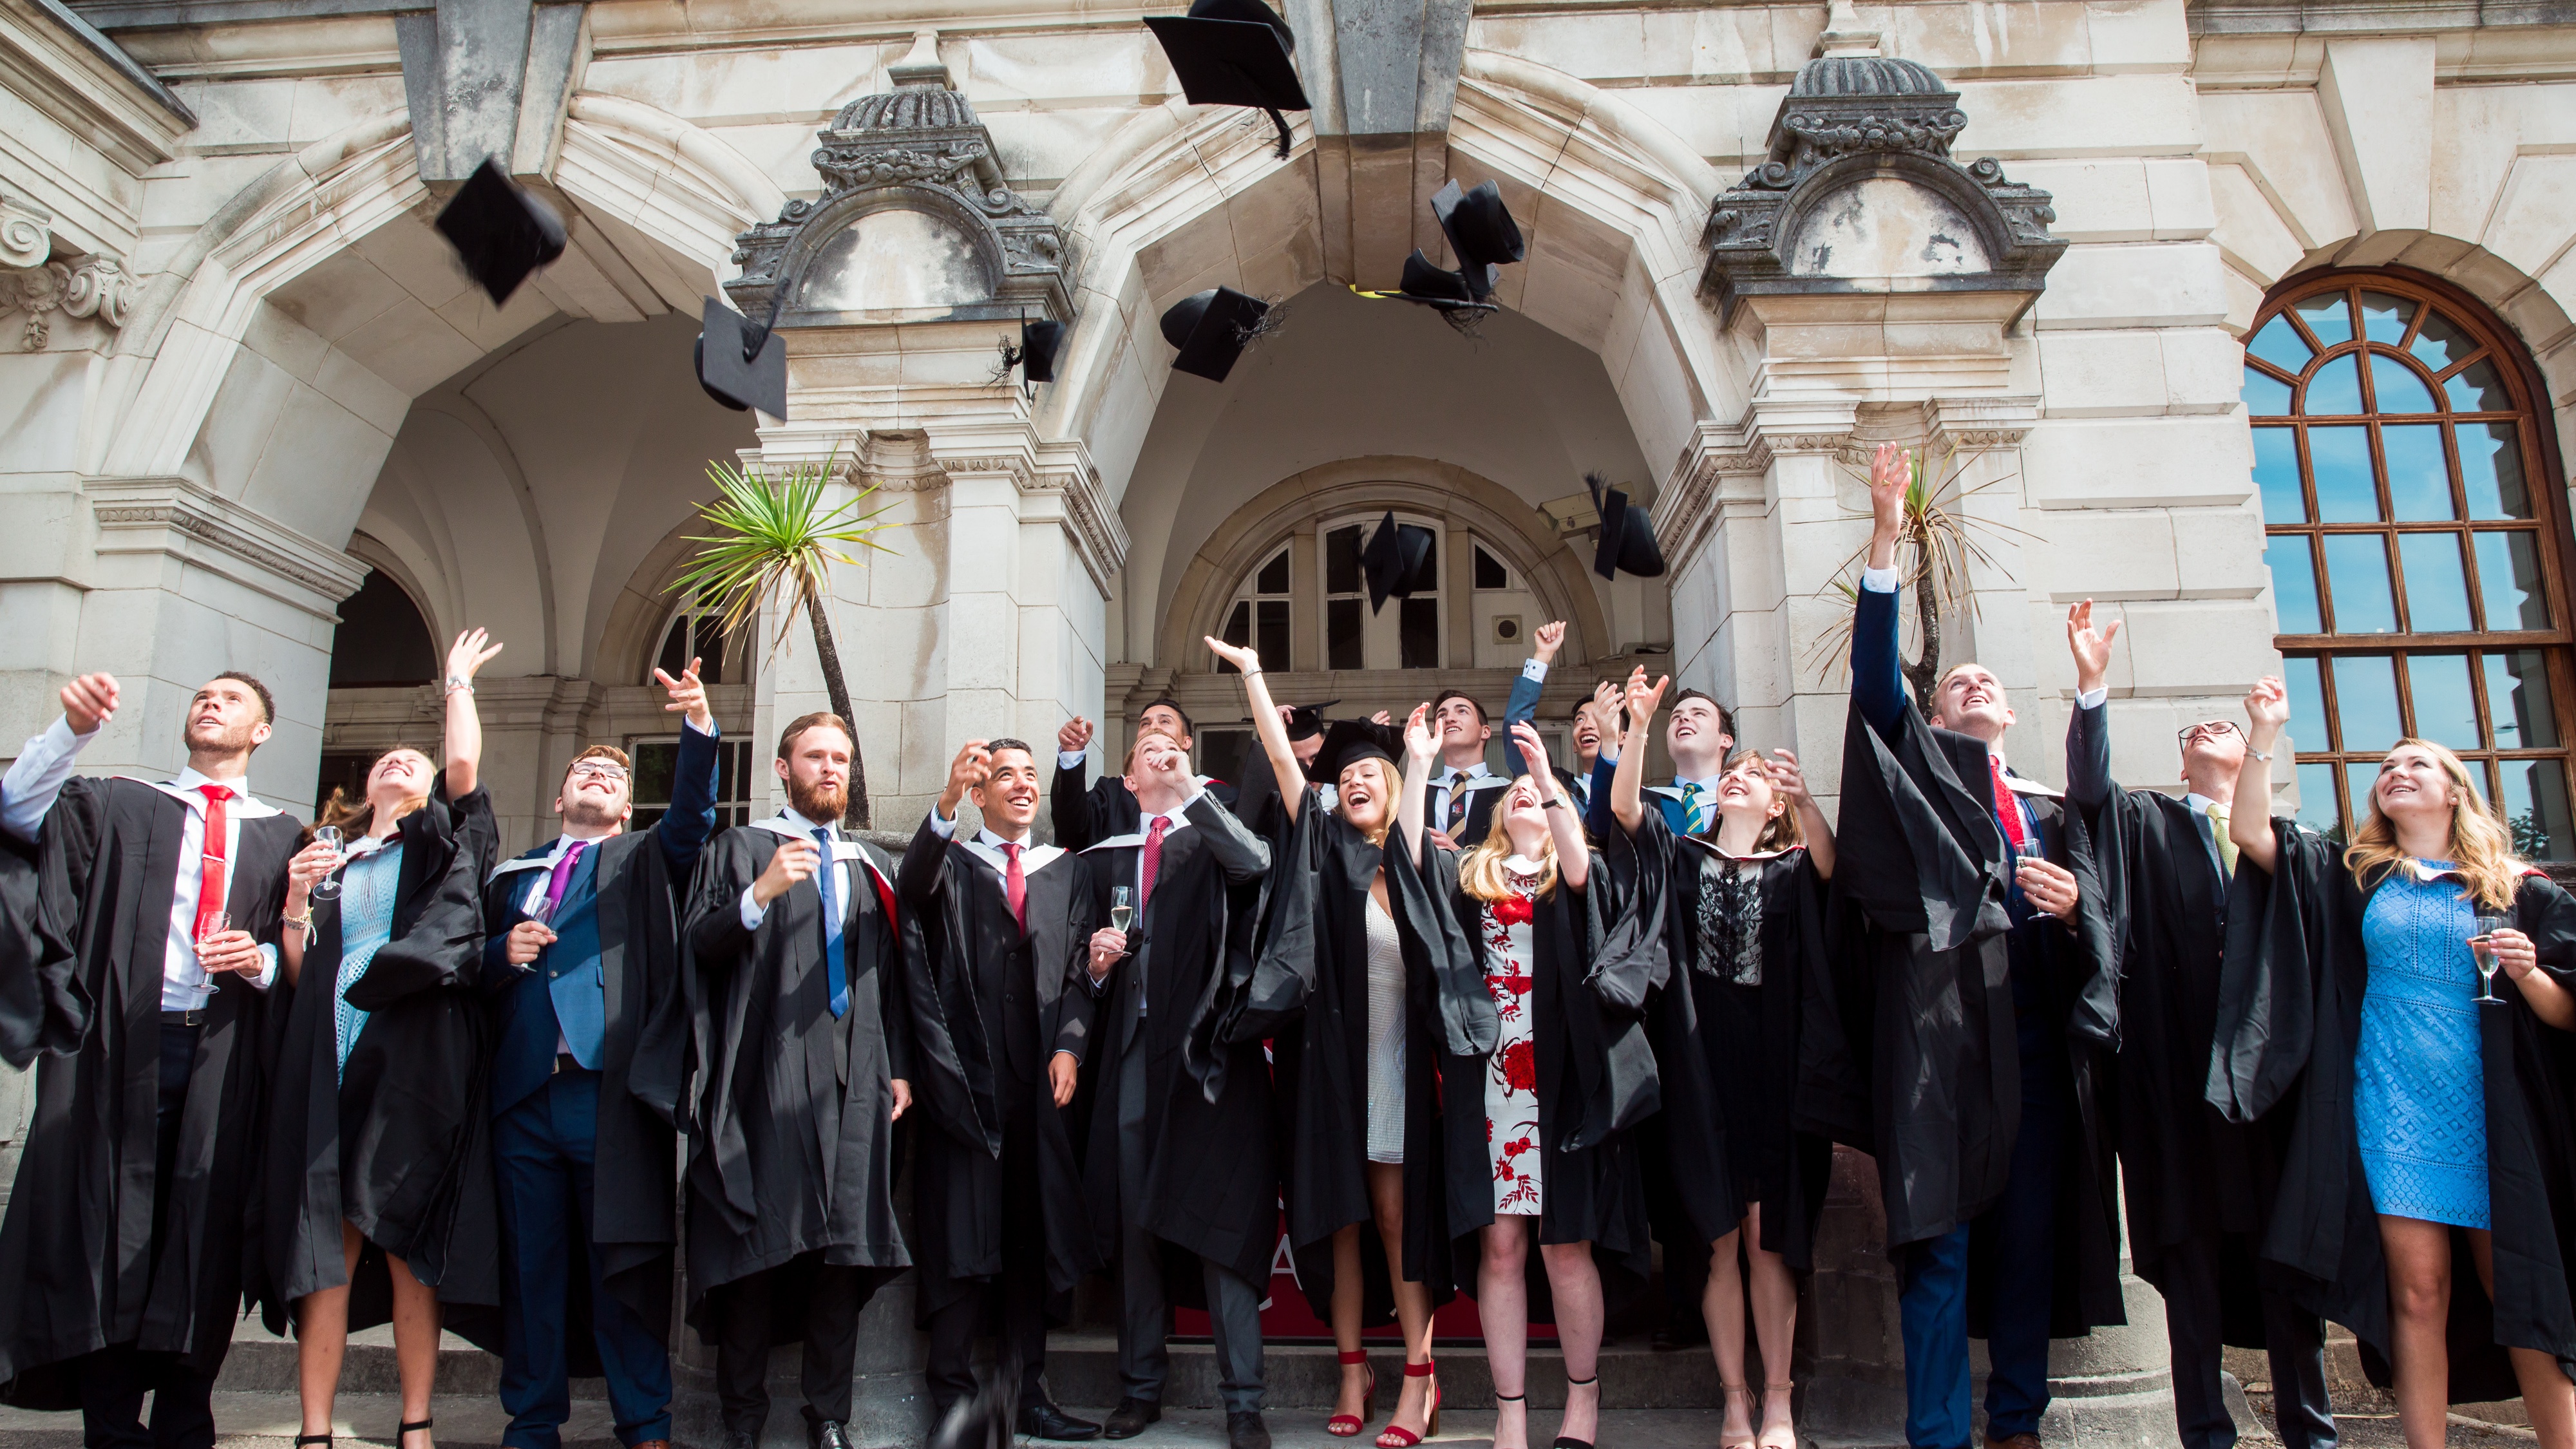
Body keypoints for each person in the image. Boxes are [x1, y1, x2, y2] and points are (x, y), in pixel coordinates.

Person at [1805, 442, 2120, 1449]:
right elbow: (1872, 687)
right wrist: (1889, 528)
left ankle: (2015, 1418)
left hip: (2028, 1034)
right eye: (1956, 685)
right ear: (1934, 718)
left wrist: (2074, 910)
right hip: (1937, 1037)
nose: (1974, 683)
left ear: (2012, 712)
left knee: (2027, 1239)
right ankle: (1937, 1431)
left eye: (1988, 680)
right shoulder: (1924, 775)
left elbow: (2106, 902)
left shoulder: (2049, 810)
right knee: (1937, 1241)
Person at [2213, 677, 2576, 1449]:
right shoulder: (2356, 877)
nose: (2396, 770)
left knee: (2514, 1288)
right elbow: (2250, 833)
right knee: (2416, 1294)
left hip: (2492, 1114)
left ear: (2454, 792)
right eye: (2386, 766)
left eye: (2417, 763)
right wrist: (2264, 733)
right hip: (2391, 1106)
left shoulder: (2517, 889)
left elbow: (2567, 1013)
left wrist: (2529, 973)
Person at [0, 669, 303, 1445]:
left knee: (203, 1235)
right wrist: (69, 731)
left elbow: (308, 954)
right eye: (204, 695)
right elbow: (14, 814)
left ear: (262, 731)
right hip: (117, 1049)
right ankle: (110, 1423)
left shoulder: (284, 835)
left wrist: (260, 960)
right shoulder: (119, 803)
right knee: (110, 1232)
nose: (212, 703)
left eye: (233, 699)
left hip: (224, 1055)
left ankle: (183, 1421)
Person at [2059, 605, 2334, 1449]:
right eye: (2194, 728)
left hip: (2271, 1087)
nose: (2209, 729)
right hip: (2177, 1080)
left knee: (2287, 1267)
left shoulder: (2292, 844)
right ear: (2180, 757)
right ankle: (2206, 1433)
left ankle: (2311, 1431)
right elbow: (2091, 793)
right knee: (2192, 1266)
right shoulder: (2146, 824)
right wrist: (2093, 686)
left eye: (2227, 723)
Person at [258, 630, 503, 1449]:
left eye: (413, 761)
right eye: (384, 760)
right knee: (325, 1250)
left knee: (402, 1241)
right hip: (327, 1055)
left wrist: (456, 686)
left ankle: (415, 1422)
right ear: (363, 782)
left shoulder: (436, 847)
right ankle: (315, 1428)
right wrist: (295, 905)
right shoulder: (326, 857)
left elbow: (464, 776)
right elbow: (298, 975)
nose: (396, 765)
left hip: (407, 1064)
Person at [479, 657, 723, 1449]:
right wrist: (497, 951)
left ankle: (643, 1417)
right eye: (582, 771)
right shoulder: (512, 876)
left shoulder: (644, 859)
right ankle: (533, 1418)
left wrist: (696, 727)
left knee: (624, 1260)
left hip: (606, 1089)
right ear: (559, 798)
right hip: (521, 1092)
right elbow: (464, 964)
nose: (596, 778)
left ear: (625, 807)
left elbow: (690, 818)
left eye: (612, 778)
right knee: (532, 1265)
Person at [1219, 653, 1457, 1449]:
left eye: (1372, 773)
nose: (1356, 779)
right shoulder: (1320, 848)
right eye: (1347, 773)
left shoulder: (1418, 864)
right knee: (1340, 1223)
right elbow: (1287, 763)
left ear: (1393, 790)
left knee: (1394, 1218)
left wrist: (1418, 762)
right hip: (1328, 1070)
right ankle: (1352, 1367)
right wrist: (1254, 677)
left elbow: (1418, 832)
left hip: (1394, 1066)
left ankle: (1419, 1377)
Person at [1411, 707, 1647, 1449]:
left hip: (1561, 1079)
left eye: (1536, 797)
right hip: (1488, 1084)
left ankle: (1582, 1403)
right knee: (1502, 1248)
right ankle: (1510, 1412)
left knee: (1564, 1245)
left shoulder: (1575, 870)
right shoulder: (1469, 876)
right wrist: (1417, 763)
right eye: (1511, 792)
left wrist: (1546, 777)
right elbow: (1413, 866)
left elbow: (1579, 867)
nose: (1521, 797)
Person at [1609, 672, 1833, 1449]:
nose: (1738, 777)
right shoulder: (1682, 859)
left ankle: (1778, 1401)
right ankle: (1733, 1400)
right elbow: (1626, 811)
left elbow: (1834, 875)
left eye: (1755, 776)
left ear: (1773, 806)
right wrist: (1637, 725)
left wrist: (1806, 802)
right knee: (1719, 1240)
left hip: (1773, 1068)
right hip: (1700, 1065)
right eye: (1733, 773)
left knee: (1770, 1239)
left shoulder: (1797, 869)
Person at [681, 714, 913, 1449]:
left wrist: (899, 1064)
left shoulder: (867, 863)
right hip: (767, 1072)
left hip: (856, 1077)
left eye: (841, 758)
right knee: (759, 1244)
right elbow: (699, 947)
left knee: (842, 1252)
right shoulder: (741, 849)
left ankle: (830, 1417)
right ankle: (742, 1419)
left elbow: (895, 978)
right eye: (815, 756)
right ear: (782, 769)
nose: (830, 769)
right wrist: (760, 893)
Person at [1072, 708, 1276, 1449]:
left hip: (1205, 1061)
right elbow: (1071, 975)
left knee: (1219, 1224)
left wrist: (1195, 791)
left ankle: (1244, 1400)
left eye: (1171, 749)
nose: (1159, 756)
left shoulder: (1211, 839)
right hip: (1128, 1054)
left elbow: (1256, 865)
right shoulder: (1100, 859)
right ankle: (1139, 1388)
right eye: (1145, 753)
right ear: (1127, 779)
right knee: (1136, 1223)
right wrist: (1094, 972)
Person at [898, 737, 1103, 1442]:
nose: (1021, 786)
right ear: (979, 795)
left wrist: (1072, 1046)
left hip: (1041, 1085)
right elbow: (911, 891)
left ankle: (1027, 1392)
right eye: (1003, 777)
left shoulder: (1066, 873)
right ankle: (952, 1401)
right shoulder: (952, 863)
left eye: (1028, 776)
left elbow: (1082, 969)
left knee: (1028, 1236)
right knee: (960, 1236)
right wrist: (945, 802)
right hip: (964, 1081)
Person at [1053, 698, 1238, 851]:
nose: (1153, 727)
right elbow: (1071, 830)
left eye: (1165, 721)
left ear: (1186, 742)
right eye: (1145, 723)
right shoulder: (1112, 793)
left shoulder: (1214, 795)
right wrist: (1072, 755)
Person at [1582, 680, 1736, 841]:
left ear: (1725, 740)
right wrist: (1609, 740)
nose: (1683, 718)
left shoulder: (1748, 800)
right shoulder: (1645, 802)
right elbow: (1602, 831)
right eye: (1675, 717)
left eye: (1699, 714)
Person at [1500, 623, 1596, 811]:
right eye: (1580, 720)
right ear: (1574, 745)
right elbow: (1517, 728)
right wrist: (1542, 657)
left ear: (1624, 736)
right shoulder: (1554, 784)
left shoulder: (1645, 798)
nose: (1587, 726)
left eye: (1599, 718)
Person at [1425, 690, 1508, 850]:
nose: (1449, 719)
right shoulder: (1420, 792)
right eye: (1441, 716)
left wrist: (1459, 856)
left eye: (1462, 711)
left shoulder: (1507, 790)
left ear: (1485, 732)